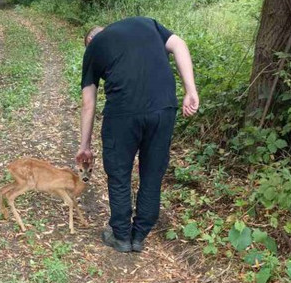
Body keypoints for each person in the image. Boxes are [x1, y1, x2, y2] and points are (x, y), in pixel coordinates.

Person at [75, 17, 199, 253]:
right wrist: (190, 91)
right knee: (152, 173)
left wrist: (85, 146)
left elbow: (88, 104)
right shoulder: (145, 23)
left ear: (90, 39)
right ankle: (139, 235)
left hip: (123, 114)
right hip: (163, 109)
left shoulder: (94, 45)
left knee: (119, 172)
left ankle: (122, 236)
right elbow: (179, 44)